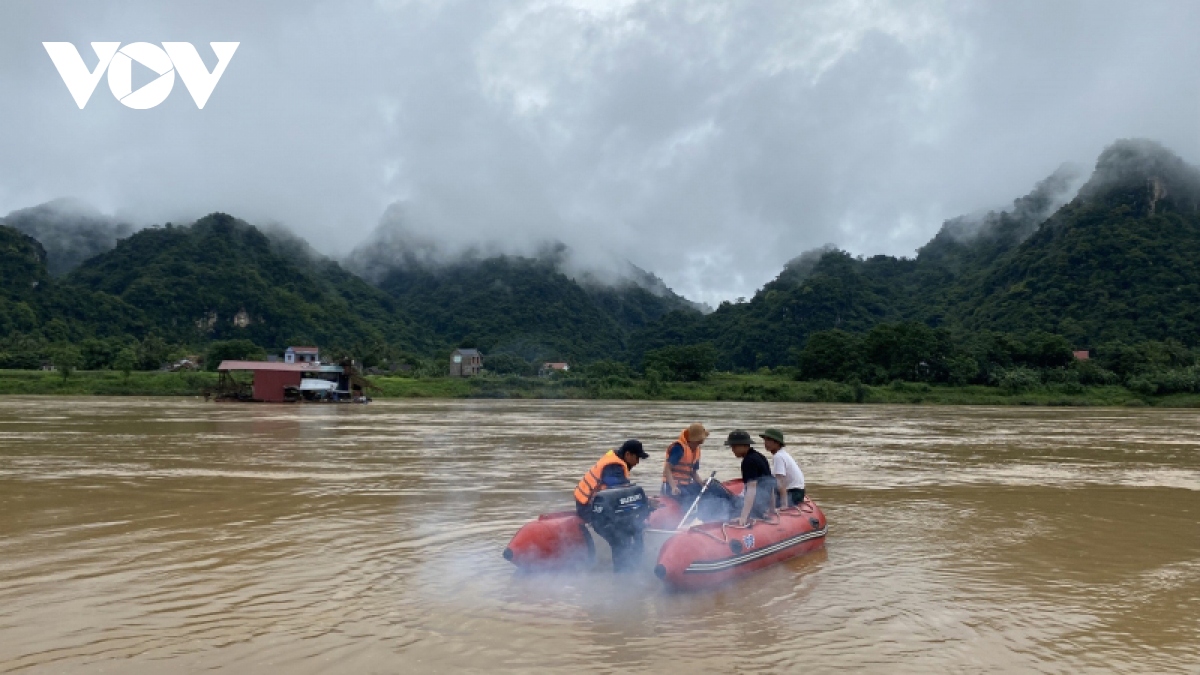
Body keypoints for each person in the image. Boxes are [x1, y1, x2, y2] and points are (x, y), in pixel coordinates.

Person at [574, 439, 651, 571]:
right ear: (628, 455)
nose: (637, 462)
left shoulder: (615, 459)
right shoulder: (613, 467)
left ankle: (632, 566)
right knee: (620, 538)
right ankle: (621, 575)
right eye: (637, 458)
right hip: (589, 507)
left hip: (600, 504)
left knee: (635, 528)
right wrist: (646, 503)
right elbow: (618, 491)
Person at [725, 430, 777, 527]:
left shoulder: (748, 462)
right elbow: (770, 484)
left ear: (745, 445)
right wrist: (772, 508)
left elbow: (751, 489)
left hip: (756, 508)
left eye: (734, 446)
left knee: (724, 502)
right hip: (762, 506)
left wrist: (743, 517)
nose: (732, 449)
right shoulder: (760, 456)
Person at [662, 423, 708, 502]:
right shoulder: (678, 448)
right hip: (671, 485)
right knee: (688, 499)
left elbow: (693, 473)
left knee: (701, 495)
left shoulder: (696, 450)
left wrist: (702, 484)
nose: (699, 444)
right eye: (699, 442)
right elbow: (667, 468)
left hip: (685, 485)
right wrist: (673, 487)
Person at [761, 428, 805, 507]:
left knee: (760, 503)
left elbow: (781, 481)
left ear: (777, 442)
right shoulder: (782, 454)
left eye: (768, 440)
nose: (765, 443)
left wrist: (784, 505)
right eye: (765, 440)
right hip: (798, 491)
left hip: (793, 493)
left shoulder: (778, 457)